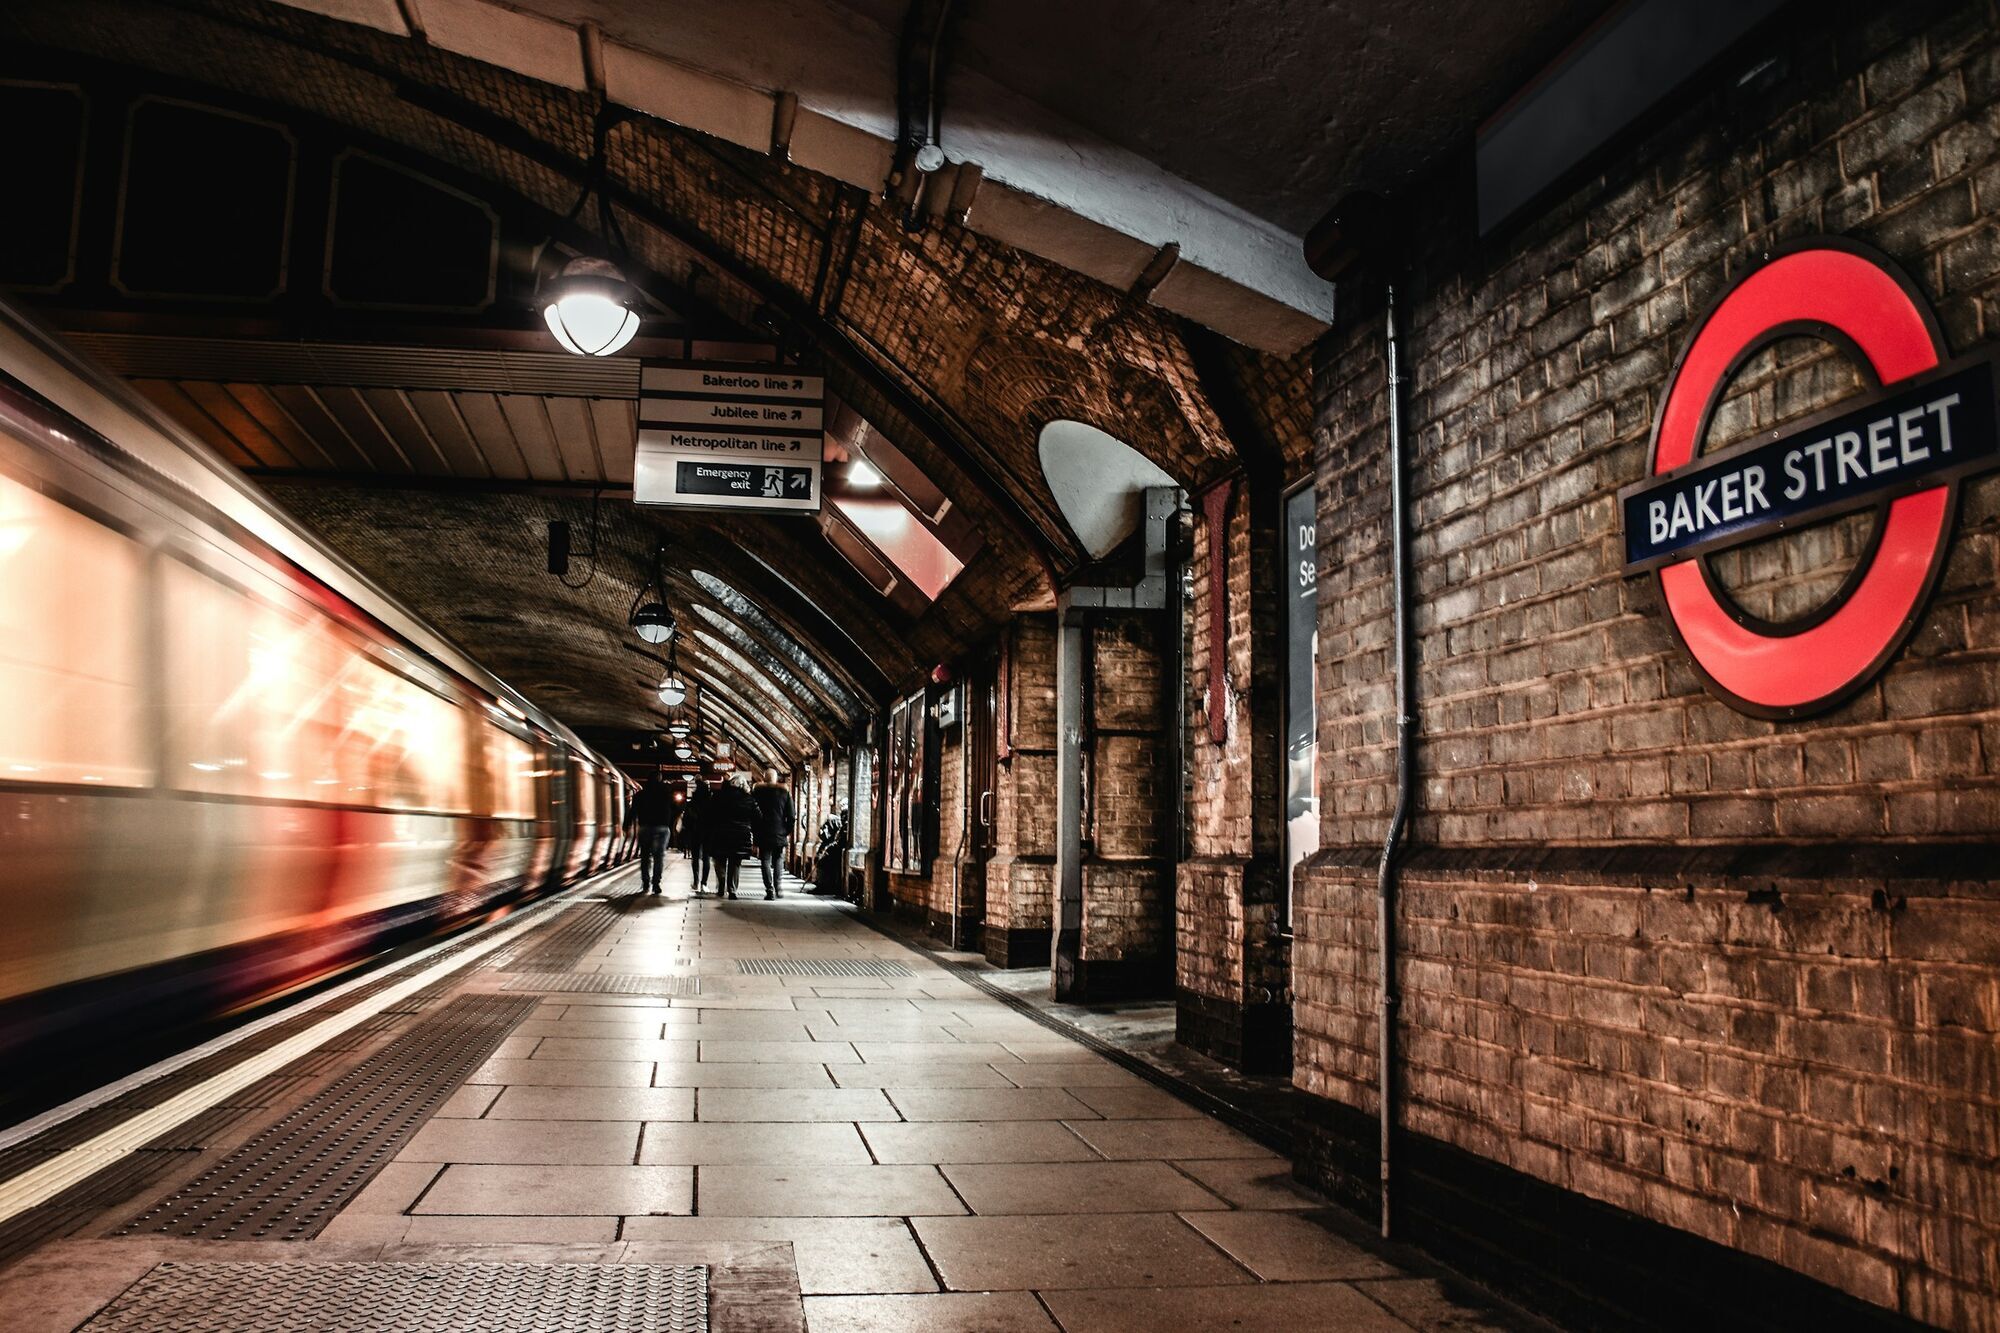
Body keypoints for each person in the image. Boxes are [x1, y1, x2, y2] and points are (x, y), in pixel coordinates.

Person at [624, 768, 679, 896]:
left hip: (645, 828)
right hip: (662, 828)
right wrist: (668, 820)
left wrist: (626, 825)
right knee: (659, 857)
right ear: (660, 779)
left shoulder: (641, 794)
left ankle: (645, 882)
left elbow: (633, 812)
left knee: (645, 857)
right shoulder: (666, 793)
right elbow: (676, 809)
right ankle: (656, 883)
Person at [705, 773, 758, 900]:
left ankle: (721, 885)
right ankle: (732, 889)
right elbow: (757, 817)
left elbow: (709, 814)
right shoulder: (749, 799)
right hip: (740, 834)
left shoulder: (718, 796)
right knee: (735, 862)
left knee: (719, 860)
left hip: (720, 833)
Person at [750, 771, 795, 900]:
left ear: (764, 778)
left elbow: (753, 813)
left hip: (763, 832)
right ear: (776, 779)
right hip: (779, 832)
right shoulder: (784, 792)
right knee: (778, 860)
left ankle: (769, 890)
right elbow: (791, 816)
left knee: (765, 860)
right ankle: (778, 887)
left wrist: (755, 829)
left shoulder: (757, 792)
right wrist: (786, 831)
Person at [679, 778, 711, 894]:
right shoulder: (711, 802)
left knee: (695, 858)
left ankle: (696, 882)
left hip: (694, 832)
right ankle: (704, 884)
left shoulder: (691, 803)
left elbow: (686, 820)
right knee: (706, 858)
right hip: (707, 833)